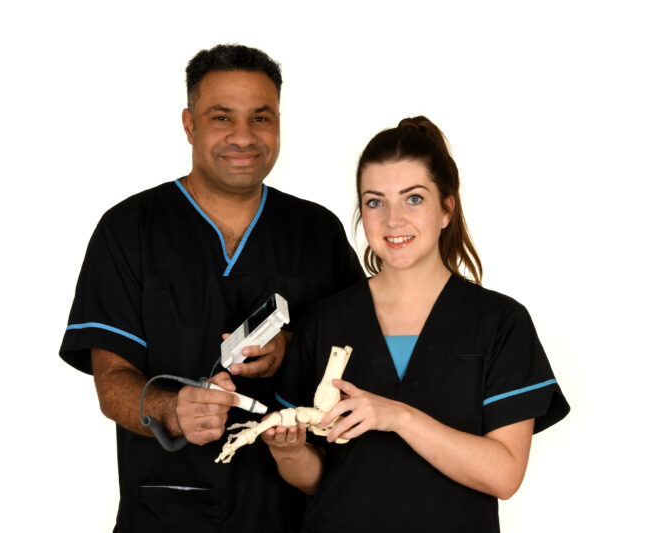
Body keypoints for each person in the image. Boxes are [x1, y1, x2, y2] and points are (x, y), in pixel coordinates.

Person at [59, 44, 364, 532]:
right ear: (188, 123)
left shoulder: (318, 233)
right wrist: (171, 409)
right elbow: (111, 380)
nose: (243, 137)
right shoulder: (130, 230)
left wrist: (292, 347)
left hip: (293, 509)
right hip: (167, 508)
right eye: (222, 117)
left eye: (261, 118)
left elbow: (362, 351)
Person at [266, 116, 570, 532]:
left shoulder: (499, 323)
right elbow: (321, 478)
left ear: (447, 208)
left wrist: (398, 417)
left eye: (413, 199)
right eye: (375, 202)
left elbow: (504, 475)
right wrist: (289, 453)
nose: (393, 220)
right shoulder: (326, 321)